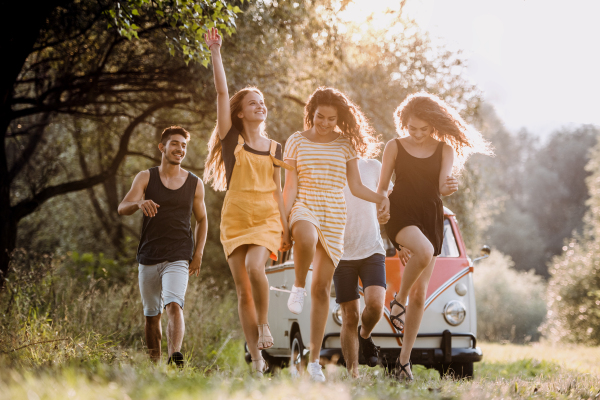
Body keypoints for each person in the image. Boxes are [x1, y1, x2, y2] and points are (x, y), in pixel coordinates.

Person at [377, 92, 492, 380]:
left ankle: (404, 362)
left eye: (423, 129)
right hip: (401, 213)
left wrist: (450, 185)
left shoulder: (445, 149)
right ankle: (397, 300)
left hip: (430, 217)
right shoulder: (394, 146)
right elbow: (381, 188)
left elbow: (442, 187)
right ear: (404, 123)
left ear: (434, 126)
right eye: (411, 128)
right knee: (424, 253)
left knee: (421, 295)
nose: (416, 134)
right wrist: (382, 205)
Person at [282, 87, 389, 382]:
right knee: (305, 239)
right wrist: (282, 220)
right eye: (320, 117)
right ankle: (298, 285)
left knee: (325, 291)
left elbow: (355, 186)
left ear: (339, 119)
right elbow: (290, 187)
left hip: (335, 215)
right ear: (311, 113)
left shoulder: (345, 145)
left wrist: (379, 199)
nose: (325, 123)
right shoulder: (295, 141)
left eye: (331, 118)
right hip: (305, 203)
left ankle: (315, 362)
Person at [203, 28, 293, 376]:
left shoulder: (275, 148)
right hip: (235, 218)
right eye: (253, 102)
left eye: (262, 101)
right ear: (239, 113)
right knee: (243, 292)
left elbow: (279, 188)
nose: (261, 105)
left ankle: (265, 326)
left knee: (257, 269)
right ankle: (256, 358)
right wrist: (215, 51)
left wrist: (285, 228)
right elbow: (222, 91)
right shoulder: (231, 141)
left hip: (267, 218)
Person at [118, 126, 208, 367]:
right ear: (162, 147)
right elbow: (122, 207)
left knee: (174, 304)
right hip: (148, 255)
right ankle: (154, 367)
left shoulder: (194, 183)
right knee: (151, 315)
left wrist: (197, 253)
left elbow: (202, 219)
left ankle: (174, 356)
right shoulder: (145, 177)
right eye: (175, 144)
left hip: (179, 254)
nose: (180, 149)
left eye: (184, 146)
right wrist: (139, 203)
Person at [333, 158, 397, 378]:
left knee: (376, 305)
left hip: (372, 248)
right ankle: (353, 374)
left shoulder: (374, 167)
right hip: (341, 252)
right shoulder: (329, 163)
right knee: (349, 316)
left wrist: (386, 213)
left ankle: (365, 334)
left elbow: (387, 202)